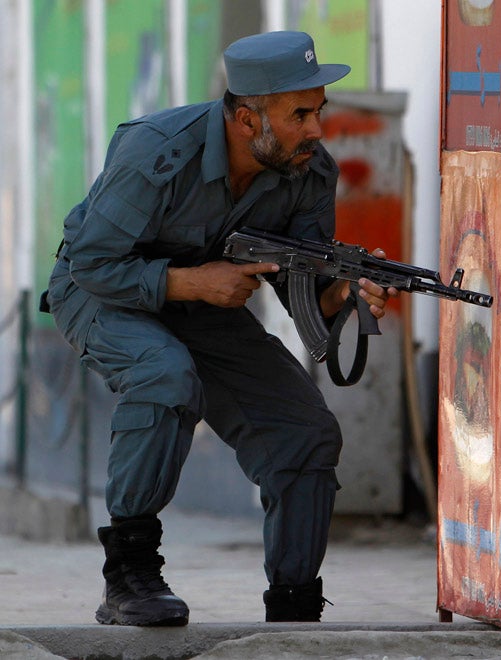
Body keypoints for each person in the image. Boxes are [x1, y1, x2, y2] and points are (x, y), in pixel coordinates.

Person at [40, 31, 396, 626]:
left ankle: (294, 604)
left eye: (319, 111)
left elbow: (301, 285)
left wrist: (347, 294)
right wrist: (189, 283)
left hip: (205, 306)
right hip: (100, 292)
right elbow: (93, 263)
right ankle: (129, 573)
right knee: (165, 374)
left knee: (305, 431)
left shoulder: (309, 172)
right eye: (299, 115)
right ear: (244, 118)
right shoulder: (157, 153)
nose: (316, 130)